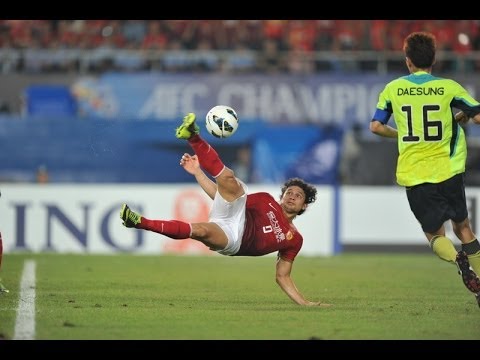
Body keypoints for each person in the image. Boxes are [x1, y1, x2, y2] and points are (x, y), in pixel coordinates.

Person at [120, 113, 330, 306]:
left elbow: (282, 276)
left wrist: (305, 303)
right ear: (282, 196)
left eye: (298, 195)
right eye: (289, 192)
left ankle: (139, 222)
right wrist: (198, 173)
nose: (292, 196)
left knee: (201, 231)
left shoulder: (294, 239)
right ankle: (192, 137)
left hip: (234, 239)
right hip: (235, 215)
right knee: (228, 178)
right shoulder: (266, 201)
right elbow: (223, 197)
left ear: (304, 206)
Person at [370, 31, 480, 307]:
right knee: (464, 227)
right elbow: (477, 116)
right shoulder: (448, 87)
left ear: (408, 61)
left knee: (434, 234)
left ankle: (458, 260)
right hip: (449, 168)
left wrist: (402, 134)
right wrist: (464, 116)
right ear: (434, 60)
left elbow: (375, 126)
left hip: (415, 173)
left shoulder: (394, 89)